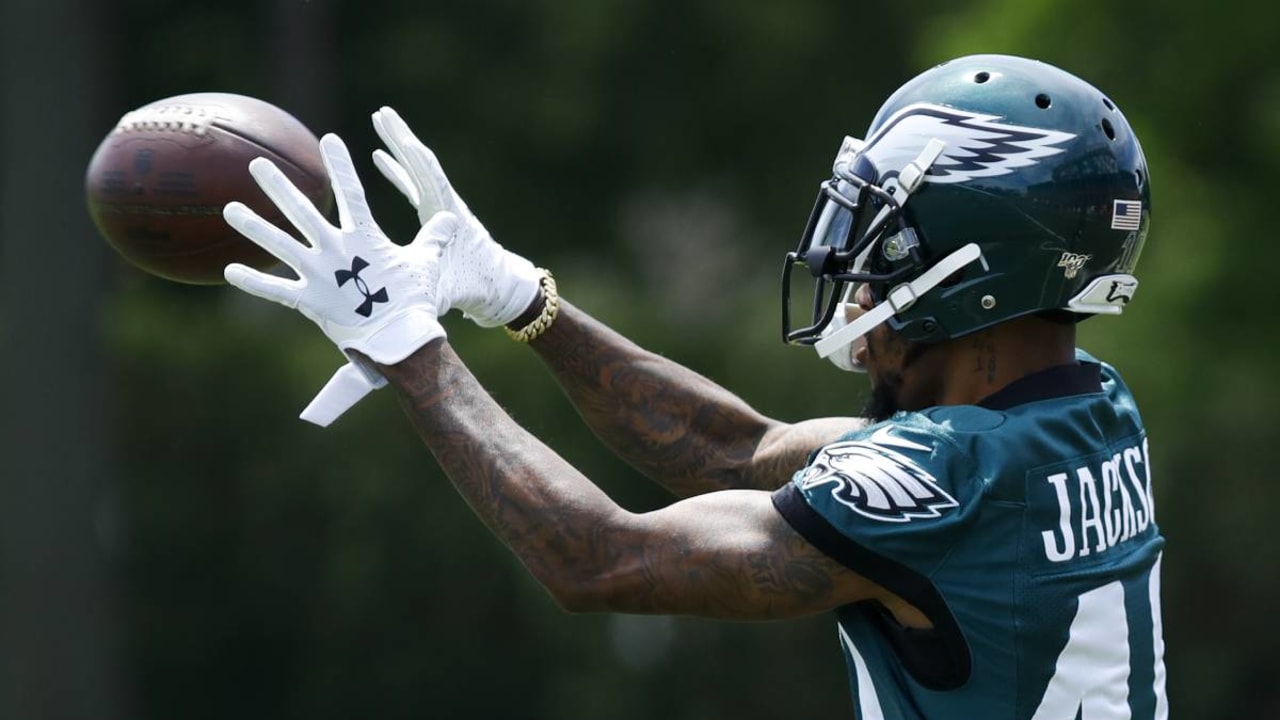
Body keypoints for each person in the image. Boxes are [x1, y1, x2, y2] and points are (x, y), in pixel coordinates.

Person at [221, 54, 1167, 718]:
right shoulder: (1088, 414)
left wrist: (409, 349)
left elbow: (596, 560)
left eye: (883, 238)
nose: (855, 271)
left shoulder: (943, 478)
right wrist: (520, 299)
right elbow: (738, 452)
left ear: (975, 273)